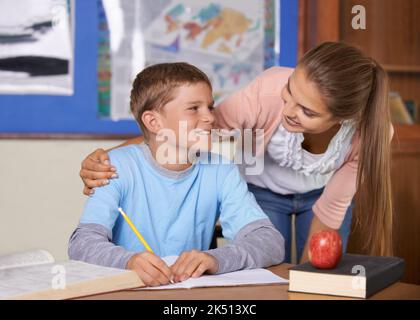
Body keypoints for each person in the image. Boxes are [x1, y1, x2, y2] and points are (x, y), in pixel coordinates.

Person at [79, 42, 394, 262]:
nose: (287, 109)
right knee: (274, 269)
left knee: (318, 272)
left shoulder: (370, 136)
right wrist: (107, 158)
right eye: (289, 92)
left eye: (307, 111)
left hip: (322, 196)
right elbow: (186, 134)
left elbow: (323, 216)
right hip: (264, 189)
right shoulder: (268, 89)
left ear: (341, 117)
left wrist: (306, 284)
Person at [68, 62, 285, 287]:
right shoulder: (116, 168)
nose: (210, 118)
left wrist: (216, 258)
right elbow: (82, 243)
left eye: (210, 107)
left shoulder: (222, 170)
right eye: (194, 108)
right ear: (154, 122)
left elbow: (270, 242)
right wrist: (128, 261)